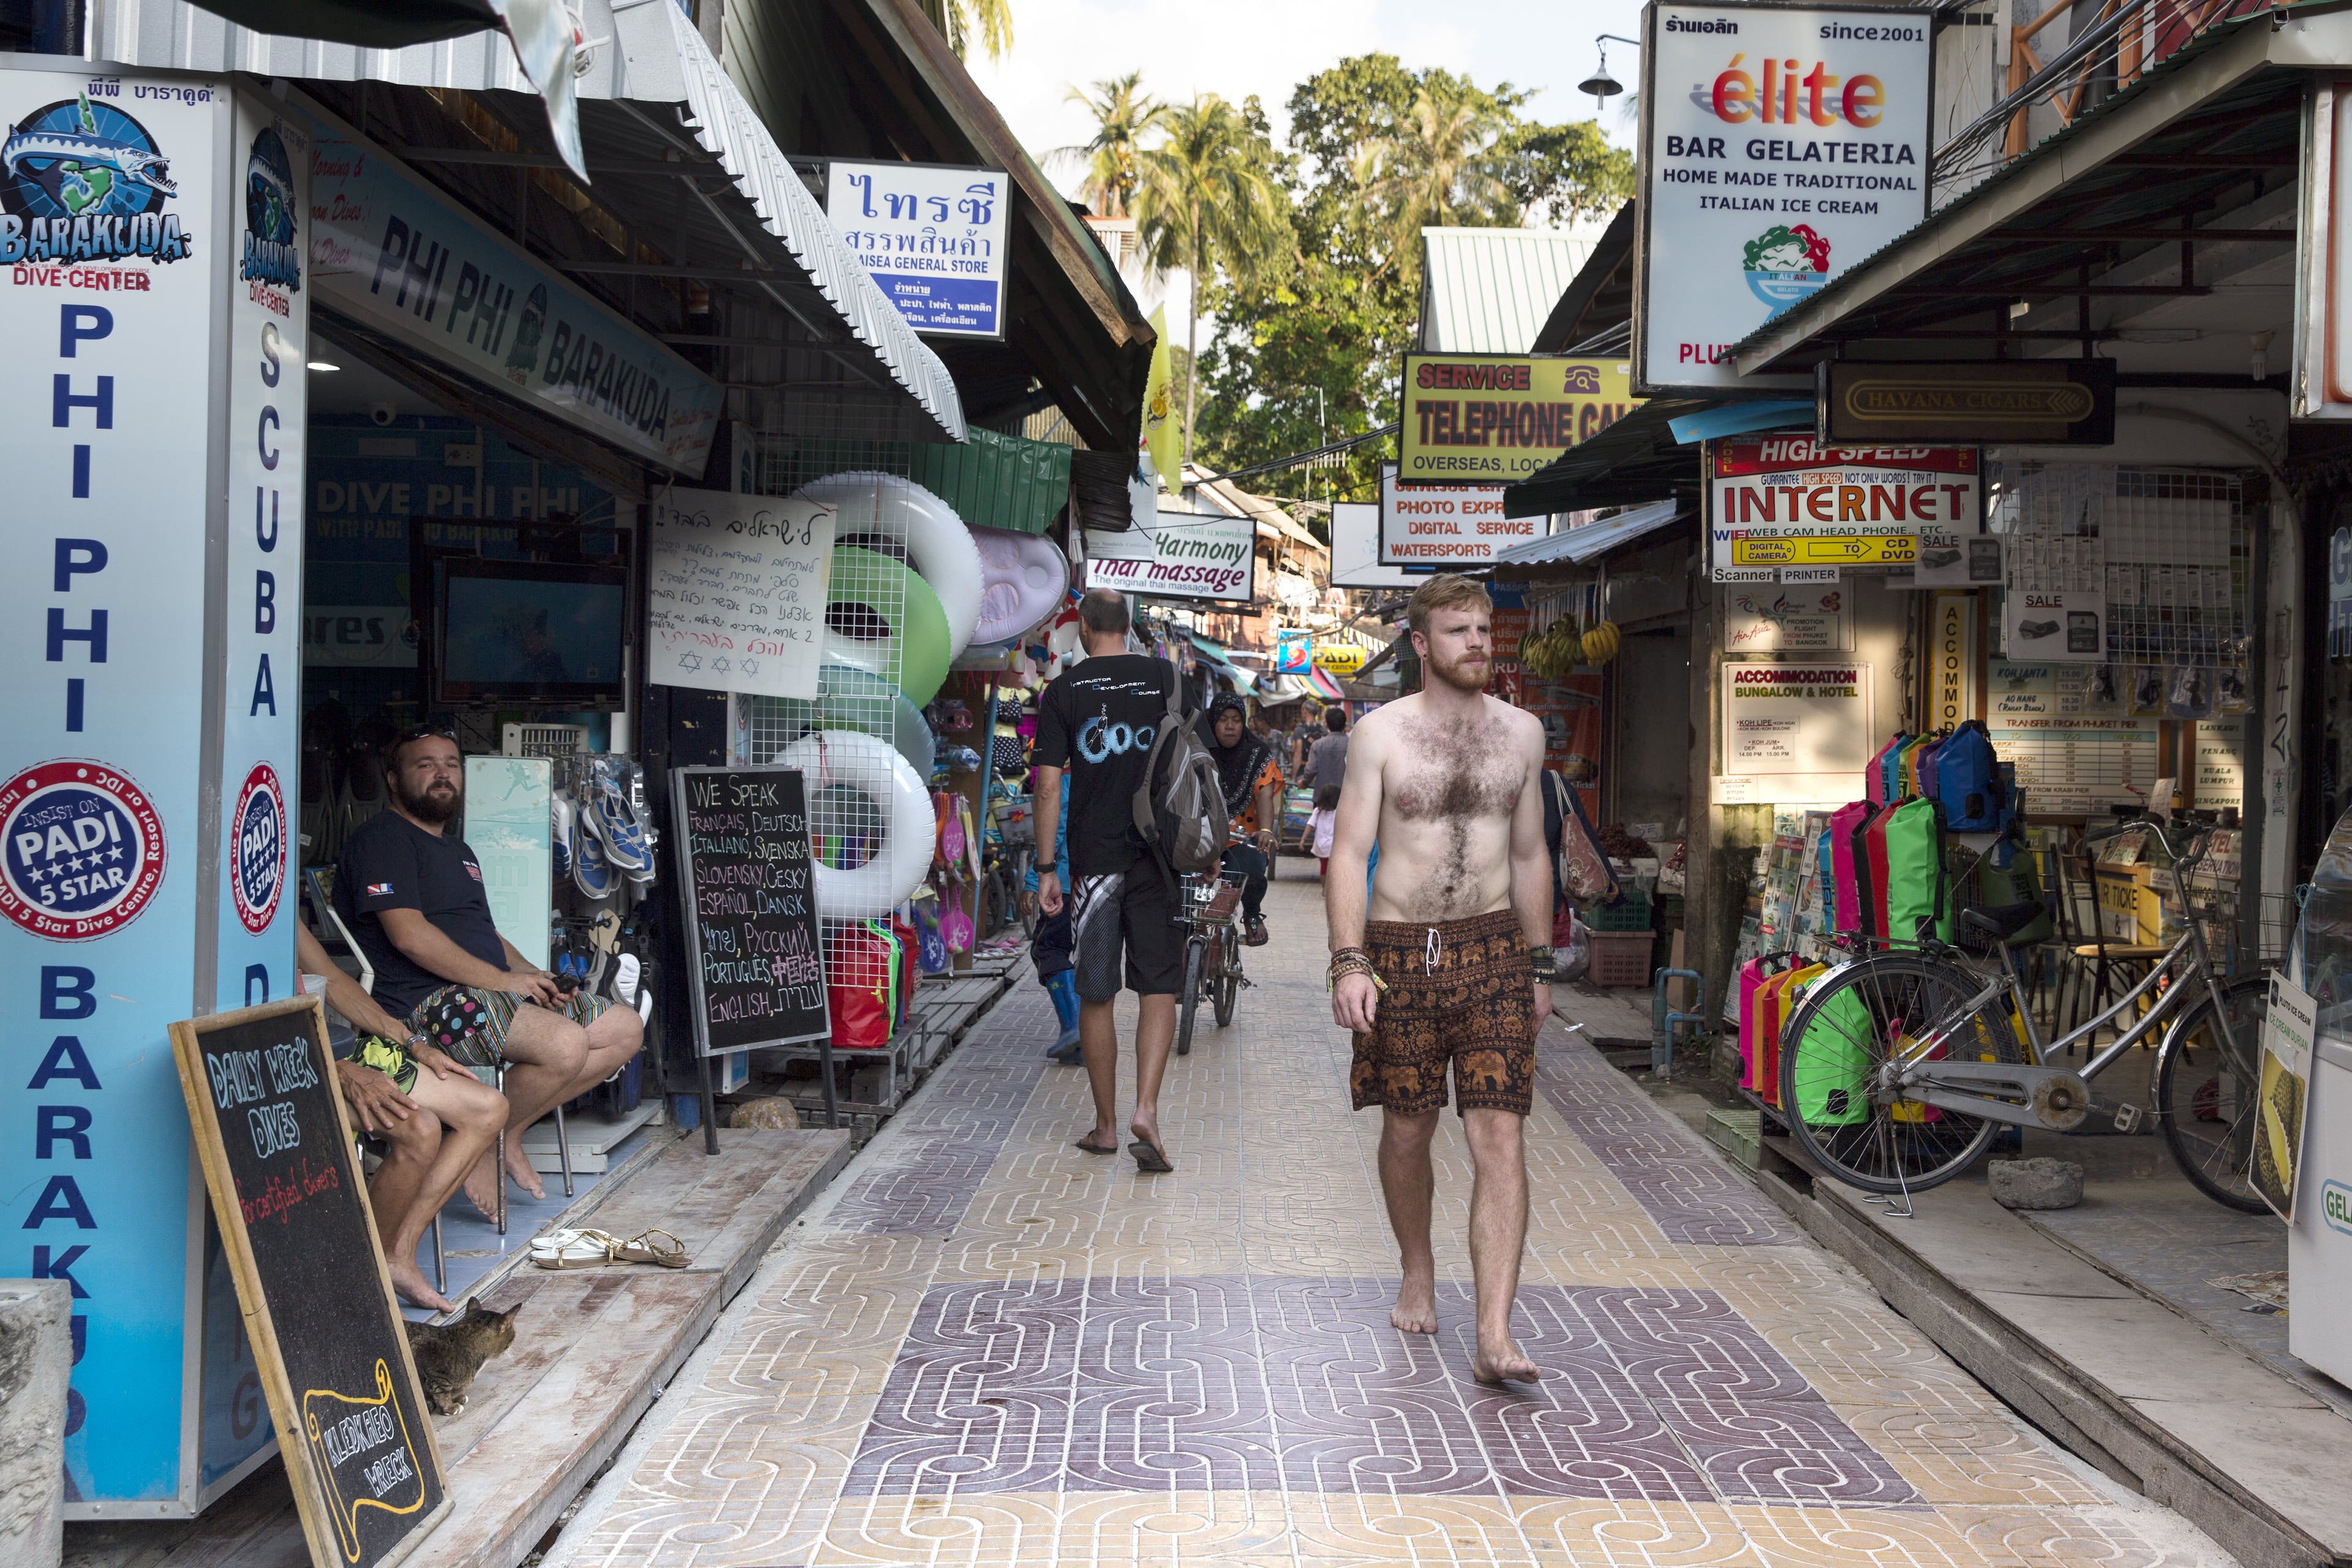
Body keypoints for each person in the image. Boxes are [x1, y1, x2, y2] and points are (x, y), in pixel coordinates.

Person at [1326, 574, 1553, 1384]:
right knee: (1409, 1128)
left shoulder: (1522, 735)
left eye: (1485, 631)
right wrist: (1348, 960)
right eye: (1459, 632)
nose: (1478, 645)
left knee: (1499, 1132)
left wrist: (1538, 961)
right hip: (1398, 952)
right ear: (1421, 644)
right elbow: (1348, 853)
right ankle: (1417, 1265)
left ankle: (1495, 1334)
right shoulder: (1380, 736)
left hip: (1492, 948)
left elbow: (1529, 854)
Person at [335, 725, 644, 1206]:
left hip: (482, 994)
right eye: (426, 765)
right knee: (564, 1045)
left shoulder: (458, 850)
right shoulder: (383, 841)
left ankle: (502, 1134)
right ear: (393, 780)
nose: (443, 774)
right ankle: (483, 1138)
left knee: (623, 1028)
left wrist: (533, 977)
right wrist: (505, 982)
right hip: (423, 1003)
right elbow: (410, 938)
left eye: (451, 765)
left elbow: (487, 936)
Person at [1033, 589, 1185, 1174]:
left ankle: (1106, 1126)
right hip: (1162, 859)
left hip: (1095, 865)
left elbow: (1048, 786)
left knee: (1096, 992)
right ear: (1129, 626)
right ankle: (1147, 1107)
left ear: (1083, 627)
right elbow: (1192, 767)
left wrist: (1048, 867)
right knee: (1159, 986)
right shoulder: (1168, 678)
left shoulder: (1065, 692)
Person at [295, 923, 506, 1311]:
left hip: (330, 1044)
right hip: (287, 1057)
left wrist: (411, 1041)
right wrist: (338, 1068)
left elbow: (331, 978)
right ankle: (360, 1274)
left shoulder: (279, 904)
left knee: (488, 1109)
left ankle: (396, 1253)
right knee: (421, 1128)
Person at [1196, 693, 1281, 946]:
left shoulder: (1258, 752)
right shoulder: (1198, 749)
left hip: (1241, 835)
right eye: (1223, 720)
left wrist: (1265, 829)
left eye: (1236, 720)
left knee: (1253, 867)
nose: (1230, 726)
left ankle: (1252, 914)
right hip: (1202, 833)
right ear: (1213, 723)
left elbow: (1265, 793)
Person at [1304, 706, 1351, 796]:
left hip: (1323, 797)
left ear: (1326, 725)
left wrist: (1304, 783)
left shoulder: (1318, 745)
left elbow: (1310, 770)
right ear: (1345, 725)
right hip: (1346, 797)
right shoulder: (1352, 744)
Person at [1310, 783, 1340, 876]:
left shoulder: (1317, 812)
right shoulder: (1339, 812)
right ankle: (1331, 888)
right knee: (1333, 868)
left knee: (1324, 868)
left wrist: (1303, 840)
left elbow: (1310, 825)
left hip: (1321, 845)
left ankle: (1324, 889)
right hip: (1334, 846)